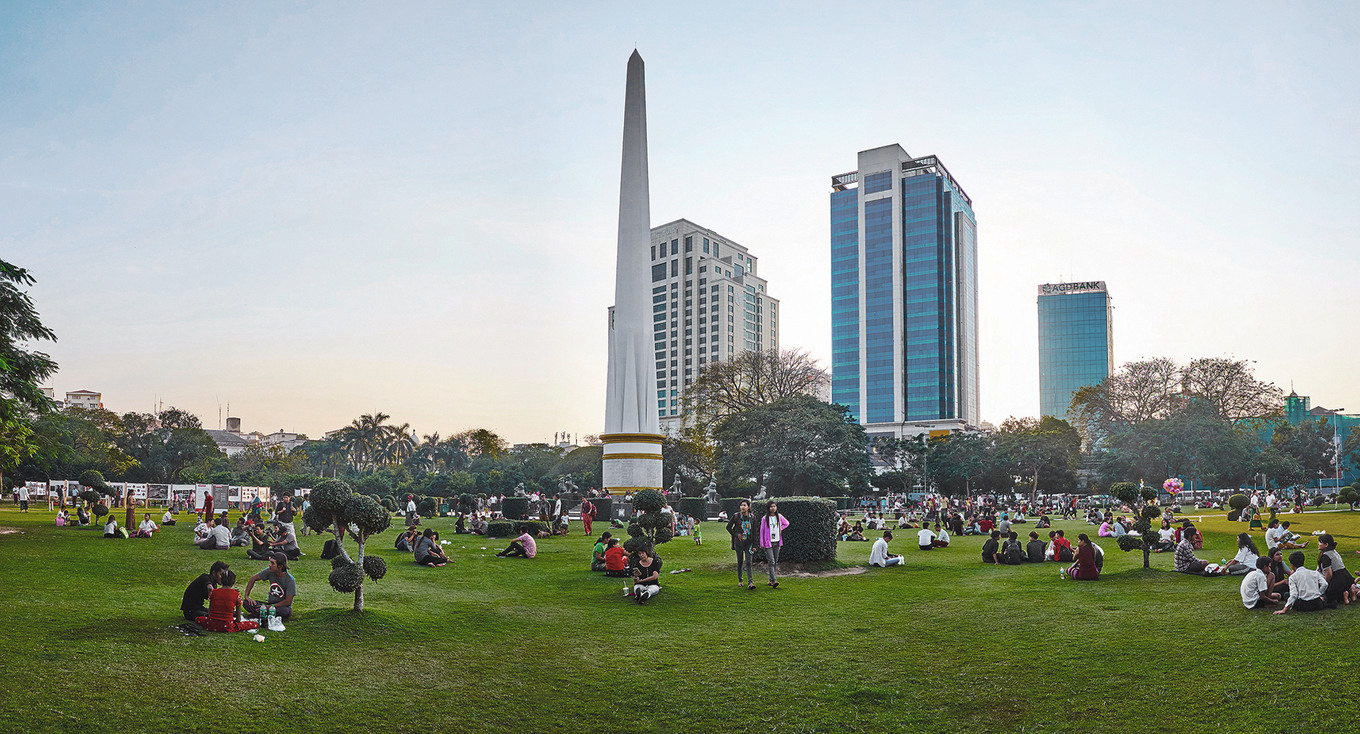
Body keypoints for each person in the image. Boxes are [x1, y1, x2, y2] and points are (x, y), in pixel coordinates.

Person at [194, 570, 260, 633]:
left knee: (198, 619)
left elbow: (209, 612)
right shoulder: (236, 595)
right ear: (233, 583)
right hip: (228, 626)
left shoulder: (213, 592)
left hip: (211, 624)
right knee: (254, 624)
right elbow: (238, 619)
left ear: (221, 581)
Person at [243, 553, 296, 621]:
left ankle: (260, 614)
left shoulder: (290, 580)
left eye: (272, 563)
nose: (270, 565)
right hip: (269, 604)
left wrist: (269, 607)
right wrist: (247, 596)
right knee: (246, 603)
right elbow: (253, 578)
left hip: (280, 607)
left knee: (285, 612)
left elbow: (288, 602)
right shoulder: (270, 571)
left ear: (280, 566)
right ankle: (266, 614)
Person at [1315, 534, 1356, 605]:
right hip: (1346, 577)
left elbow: (1329, 574)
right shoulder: (1334, 552)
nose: (1318, 543)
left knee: (1326, 595)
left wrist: (1324, 585)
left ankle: (1344, 595)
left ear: (1326, 544)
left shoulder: (1325, 556)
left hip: (1338, 579)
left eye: (1320, 542)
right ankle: (1349, 592)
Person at [757, 501, 789, 588]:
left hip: (777, 542)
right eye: (771, 506)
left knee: (775, 561)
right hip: (769, 543)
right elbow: (762, 531)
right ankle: (774, 580)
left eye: (774, 506)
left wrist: (780, 529)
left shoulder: (779, 517)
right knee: (771, 561)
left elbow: (786, 523)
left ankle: (771, 580)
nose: (773, 508)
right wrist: (762, 542)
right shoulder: (764, 518)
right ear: (768, 508)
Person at [726, 500, 757, 589]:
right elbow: (728, 527)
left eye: (744, 505)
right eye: (741, 505)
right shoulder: (736, 516)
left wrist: (755, 545)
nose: (742, 507)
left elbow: (755, 532)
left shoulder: (752, 518)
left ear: (749, 507)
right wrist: (736, 534)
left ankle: (750, 582)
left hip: (749, 543)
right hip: (739, 542)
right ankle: (740, 580)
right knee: (740, 561)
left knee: (748, 562)